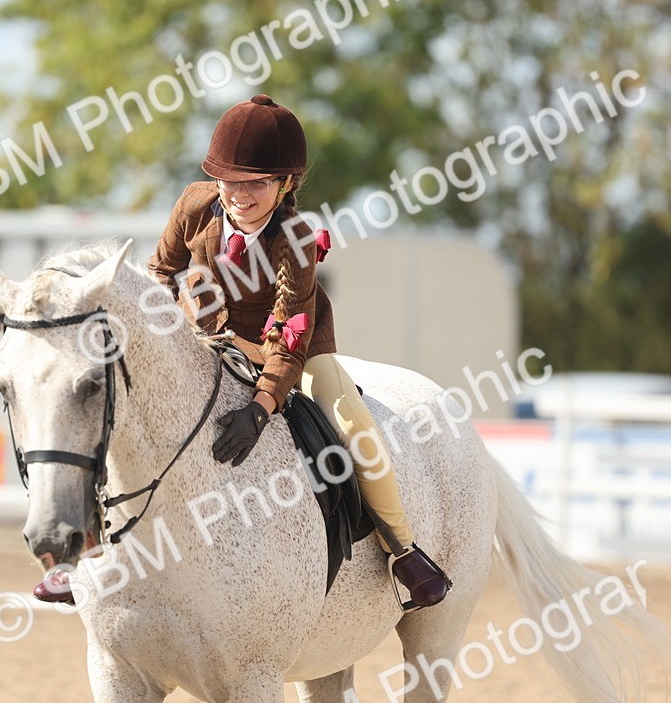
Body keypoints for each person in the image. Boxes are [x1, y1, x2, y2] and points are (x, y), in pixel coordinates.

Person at [147, 94, 450, 609]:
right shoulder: (195, 204)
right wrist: (174, 322)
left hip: (293, 344)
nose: (239, 195)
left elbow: (287, 341)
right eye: (230, 180)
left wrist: (260, 409)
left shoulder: (296, 239)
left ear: (285, 184)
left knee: (349, 419)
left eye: (257, 183)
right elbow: (160, 270)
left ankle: (403, 550)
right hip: (209, 333)